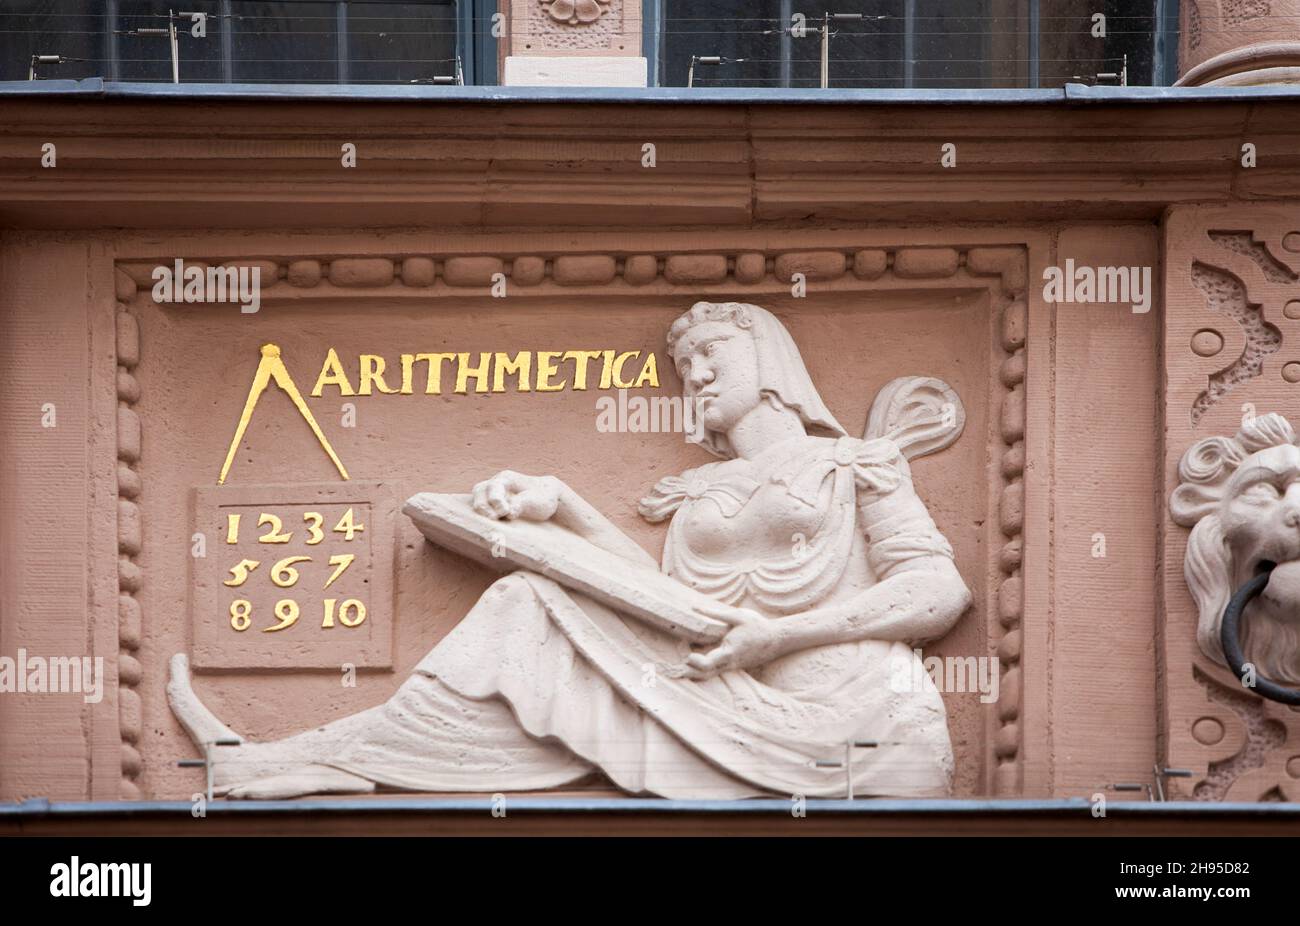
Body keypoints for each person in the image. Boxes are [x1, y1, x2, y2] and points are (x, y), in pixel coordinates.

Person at [169, 300, 971, 799]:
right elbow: (666, 607)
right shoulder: (695, 493)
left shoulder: (858, 462)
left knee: (530, 614)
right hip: (724, 699)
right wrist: (560, 504)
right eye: (684, 365)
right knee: (525, 599)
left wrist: (781, 636)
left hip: (853, 726)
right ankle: (311, 760)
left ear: (767, 360)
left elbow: (938, 591)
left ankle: (308, 761)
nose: (693, 374)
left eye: (710, 358)